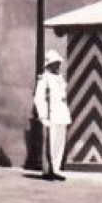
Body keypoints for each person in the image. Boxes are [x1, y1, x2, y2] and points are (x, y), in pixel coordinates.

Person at [32, 49, 70, 181]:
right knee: (50, 142)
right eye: (55, 63)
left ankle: (57, 168)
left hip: (61, 114)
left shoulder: (60, 78)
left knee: (59, 142)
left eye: (58, 63)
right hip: (50, 114)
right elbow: (39, 98)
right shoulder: (44, 79)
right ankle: (49, 169)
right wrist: (43, 116)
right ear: (49, 64)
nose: (58, 65)